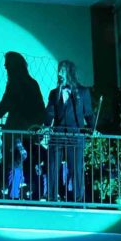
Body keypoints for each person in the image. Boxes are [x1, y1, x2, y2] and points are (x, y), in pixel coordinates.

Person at [0, 51, 46, 198]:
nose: (5, 67)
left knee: (13, 162)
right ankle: (31, 193)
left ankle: (13, 193)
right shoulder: (32, 83)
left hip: (16, 131)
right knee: (27, 162)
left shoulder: (16, 83)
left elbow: (5, 104)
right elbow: (41, 109)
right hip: (29, 132)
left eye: (7, 64)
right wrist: (36, 127)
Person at [44, 59, 95, 202]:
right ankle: (52, 199)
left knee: (76, 169)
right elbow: (50, 112)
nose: (59, 74)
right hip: (58, 134)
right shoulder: (54, 93)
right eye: (59, 71)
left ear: (69, 73)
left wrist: (93, 129)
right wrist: (45, 126)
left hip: (75, 135)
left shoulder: (83, 92)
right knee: (52, 167)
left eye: (62, 70)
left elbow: (88, 113)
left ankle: (78, 201)